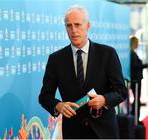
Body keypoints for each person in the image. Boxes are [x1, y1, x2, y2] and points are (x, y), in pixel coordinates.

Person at [39, 5, 127, 139]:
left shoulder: (107, 54)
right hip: (73, 132)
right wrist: (58, 105)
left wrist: (104, 100)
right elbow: (44, 96)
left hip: (104, 132)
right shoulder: (55, 59)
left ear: (88, 26)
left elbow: (121, 91)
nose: (73, 30)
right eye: (69, 26)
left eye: (78, 25)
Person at [130, 36, 148, 122]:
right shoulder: (132, 54)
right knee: (137, 99)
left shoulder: (133, 53)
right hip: (136, 80)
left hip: (136, 79)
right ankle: (135, 119)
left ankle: (135, 118)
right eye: (137, 42)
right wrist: (145, 65)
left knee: (137, 99)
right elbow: (135, 66)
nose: (138, 44)